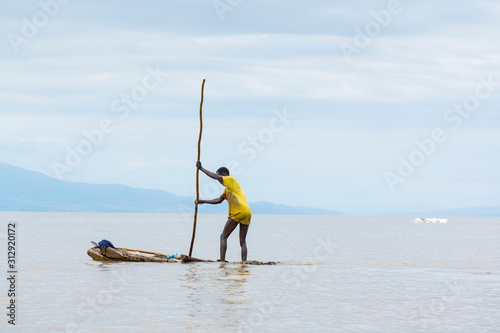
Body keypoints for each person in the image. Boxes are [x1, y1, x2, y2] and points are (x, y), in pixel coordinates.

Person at [195, 161, 251, 262]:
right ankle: (244, 262)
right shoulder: (228, 189)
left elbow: (216, 177)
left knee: (223, 236)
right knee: (242, 241)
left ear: (223, 175)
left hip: (238, 212)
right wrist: (203, 201)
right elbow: (218, 200)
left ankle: (222, 261)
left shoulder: (230, 180)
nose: (219, 182)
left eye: (219, 177)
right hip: (247, 212)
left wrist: (201, 169)